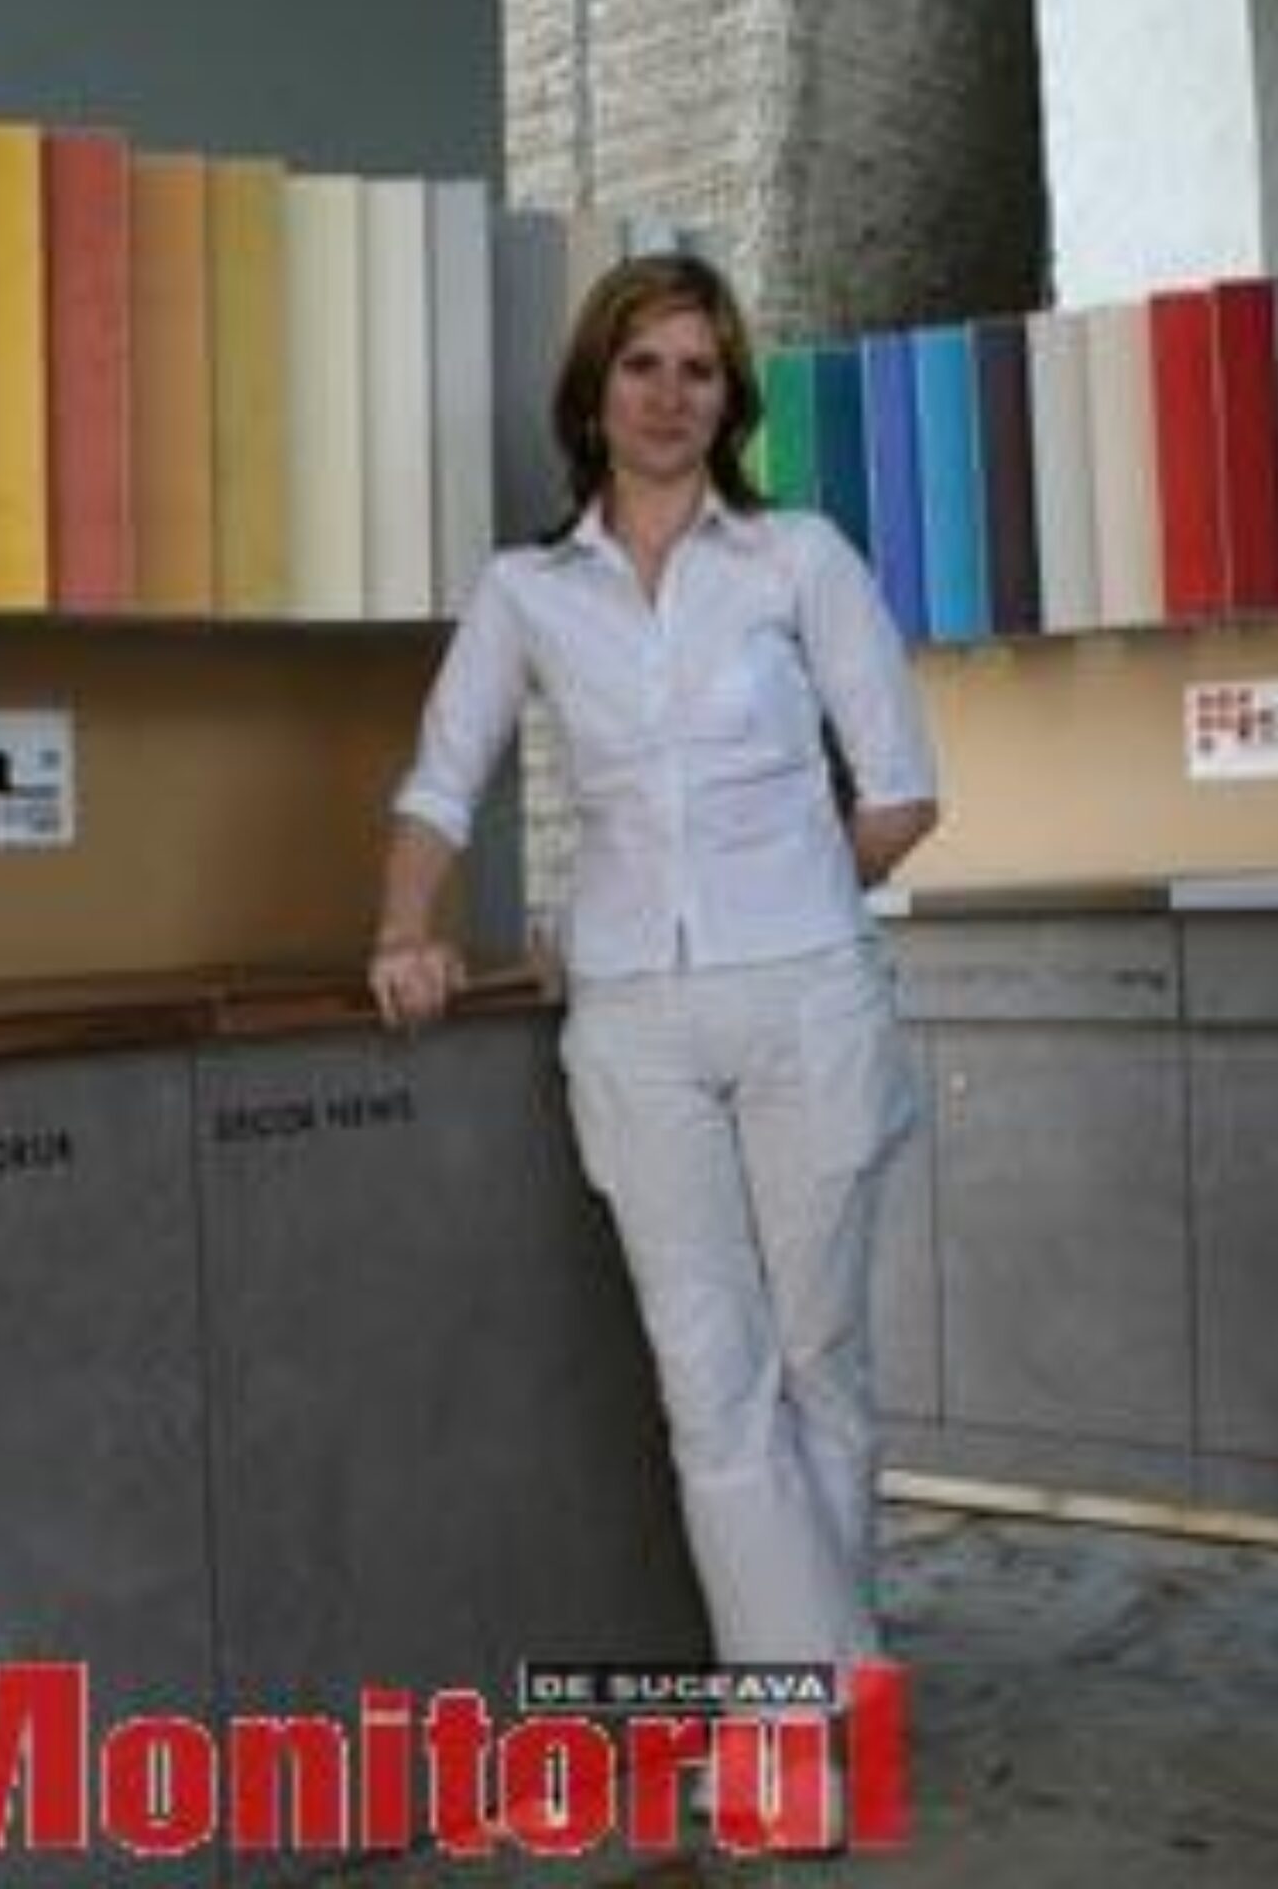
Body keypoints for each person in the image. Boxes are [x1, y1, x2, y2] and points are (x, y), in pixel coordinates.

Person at [367, 253, 939, 1671]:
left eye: (699, 369)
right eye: (643, 365)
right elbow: (443, 781)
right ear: (595, 391)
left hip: (808, 1000)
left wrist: (786, 891)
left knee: (819, 1366)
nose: (670, 396)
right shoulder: (527, 590)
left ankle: (798, 1729)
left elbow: (901, 794)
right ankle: (822, 1720)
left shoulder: (800, 558)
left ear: (729, 398)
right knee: (710, 1383)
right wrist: (405, 928)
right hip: (634, 1023)